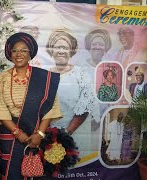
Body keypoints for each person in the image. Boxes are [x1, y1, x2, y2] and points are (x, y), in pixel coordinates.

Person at [0, 32, 62, 179]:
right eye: (15, 50)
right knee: (11, 174)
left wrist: (40, 134)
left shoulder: (43, 78)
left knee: (37, 173)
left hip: (37, 132)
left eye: (23, 50)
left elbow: (50, 108)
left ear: (30, 54)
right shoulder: (3, 77)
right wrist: (17, 133)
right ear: (10, 54)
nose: (18, 54)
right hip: (10, 134)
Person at [46, 29, 99, 158]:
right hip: (49, 136)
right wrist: (49, 135)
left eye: (65, 47)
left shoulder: (81, 74)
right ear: (51, 51)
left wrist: (65, 135)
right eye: (57, 47)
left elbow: (85, 106)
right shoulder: (45, 74)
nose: (61, 51)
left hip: (75, 133)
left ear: (72, 51)